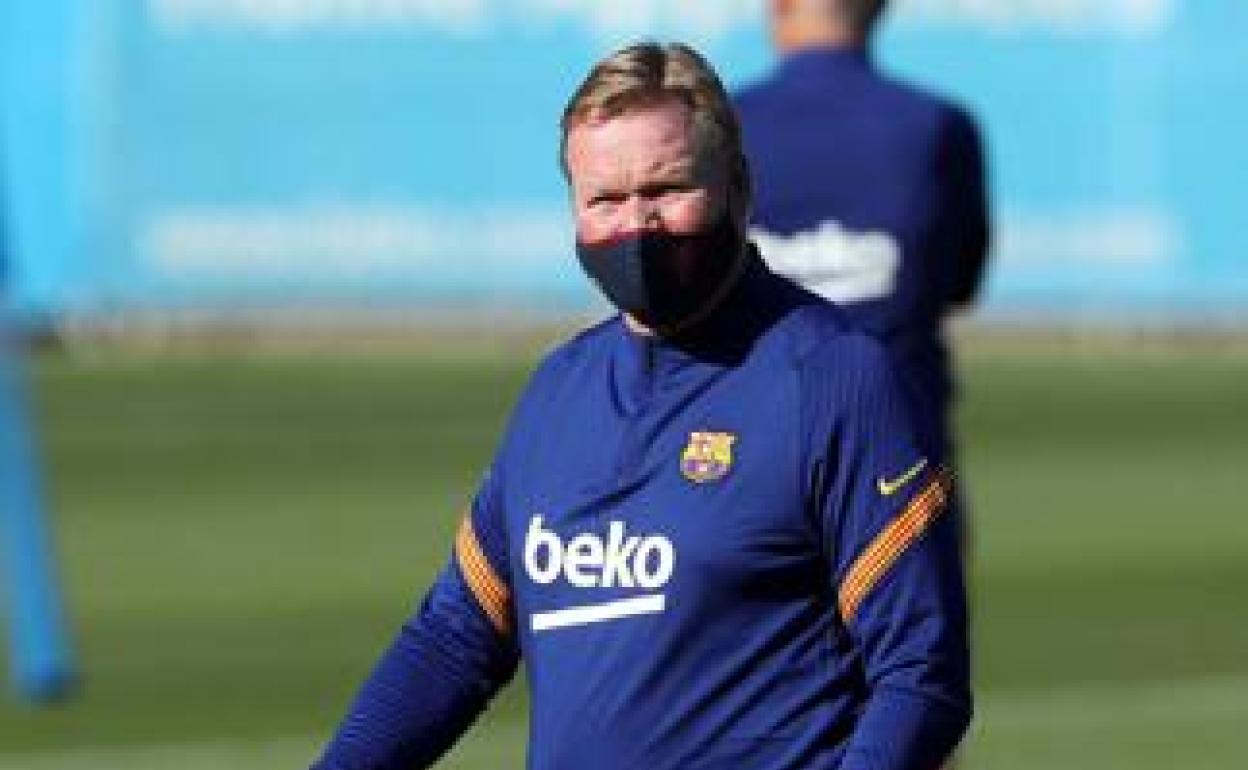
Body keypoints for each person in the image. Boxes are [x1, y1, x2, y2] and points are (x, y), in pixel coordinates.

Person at [312, 42, 970, 770]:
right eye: (606, 200)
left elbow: (920, 676)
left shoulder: (833, 379)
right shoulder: (558, 392)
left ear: (738, 188)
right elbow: (456, 639)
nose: (637, 226)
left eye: (667, 189)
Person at [735, 0, 991, 464]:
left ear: (780, 6)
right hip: (901, 451)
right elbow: (961, 283)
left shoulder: (722, 126)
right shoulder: (937, 126)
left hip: (748, 443)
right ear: (878, 11)